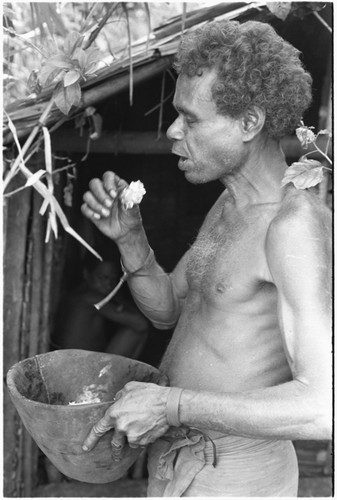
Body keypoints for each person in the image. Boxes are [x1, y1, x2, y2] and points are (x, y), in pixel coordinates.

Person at [80, 19, 332, 497]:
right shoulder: (230, 203)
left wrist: (170, 405)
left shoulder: (293, 226)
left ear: (249, 123)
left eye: (191, 119)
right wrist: (132, 241)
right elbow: (170, 312)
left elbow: (321, 407)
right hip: (179, 468)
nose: (173, 130)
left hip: (236, 478)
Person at [51, 255, 149, 359]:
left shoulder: (74, 295)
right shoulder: (90, 299)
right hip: (81, 368)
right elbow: (141, 324)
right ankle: (126, 373)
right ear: (86, 274)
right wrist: (118, 297)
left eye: (114, 279)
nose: (109, 283)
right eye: (103, 277)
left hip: (73, 365)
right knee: (136, 331)